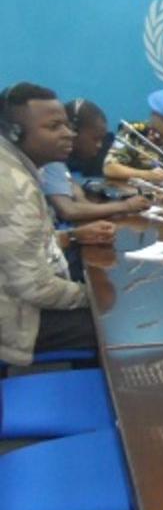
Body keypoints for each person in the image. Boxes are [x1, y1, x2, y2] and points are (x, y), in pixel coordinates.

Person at [0, 83, 114, 365]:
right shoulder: (13, 186)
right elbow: (36, 288)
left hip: (18, 297)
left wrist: (72, 236)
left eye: (67, 125)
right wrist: (93, 295)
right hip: (16, 321)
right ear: (15, 133)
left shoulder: (14, 166)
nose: (69, 134)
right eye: (54, 127)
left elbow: (18, 248)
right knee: (117, 324)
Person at [40, 99, 150, 223]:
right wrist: (126, 206)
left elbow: (80, 199)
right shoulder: (51, 161)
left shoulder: (60, 163)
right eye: (96, 139)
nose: (99, 145)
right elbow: (68, 211)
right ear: (73, 132)